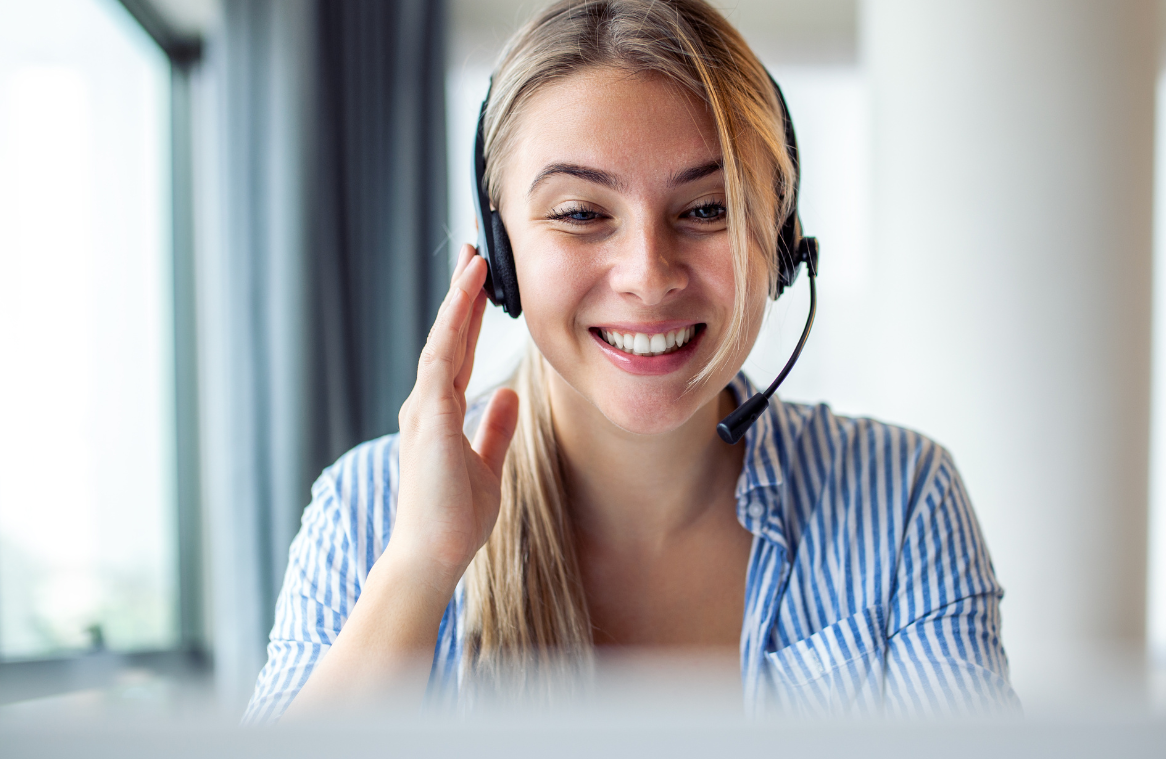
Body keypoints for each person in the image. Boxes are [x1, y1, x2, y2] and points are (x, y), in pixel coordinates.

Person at [244, 0, 1017, 723]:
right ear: (501, 253)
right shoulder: (365, 513)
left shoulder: (902, 498)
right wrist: (419, 565)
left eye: (708, 209)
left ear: (780, 238)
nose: (648, 273)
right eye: (581, 214)